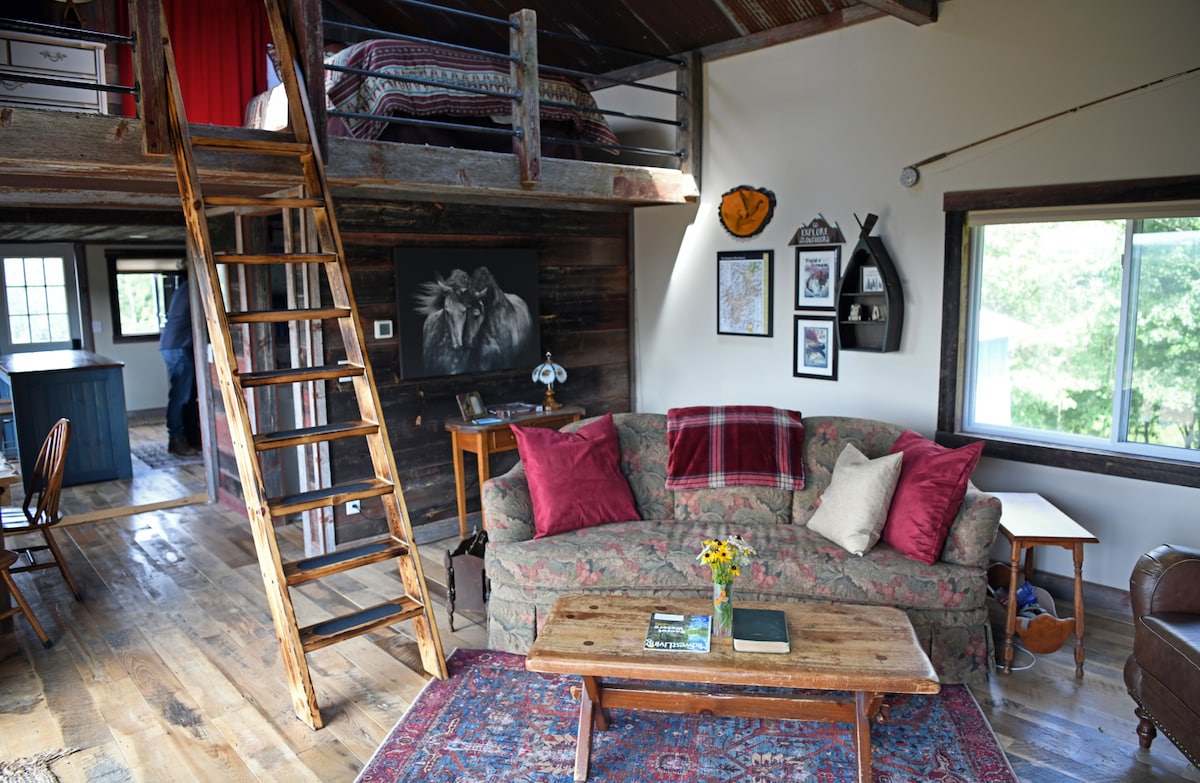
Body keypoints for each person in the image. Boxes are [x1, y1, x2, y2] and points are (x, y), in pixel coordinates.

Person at [160, 271, 199, 456]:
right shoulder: (194, 289)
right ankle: (177, 439)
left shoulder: (185, 288)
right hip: (178, 346)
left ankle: (189, 437)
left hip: (174, 345)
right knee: (181, 396)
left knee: (187, 395)